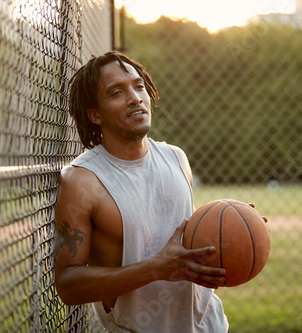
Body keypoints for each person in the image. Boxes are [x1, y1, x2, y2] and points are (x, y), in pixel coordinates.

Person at [54, 51, 229, 332]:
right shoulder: (81, 181)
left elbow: (188, 239)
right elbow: (67, 286)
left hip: (209, 325)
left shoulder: (176, 158)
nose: (135, 97)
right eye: (117, 92)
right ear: (95, 114)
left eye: (138, 86)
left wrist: (235, 224)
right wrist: (155, 269)